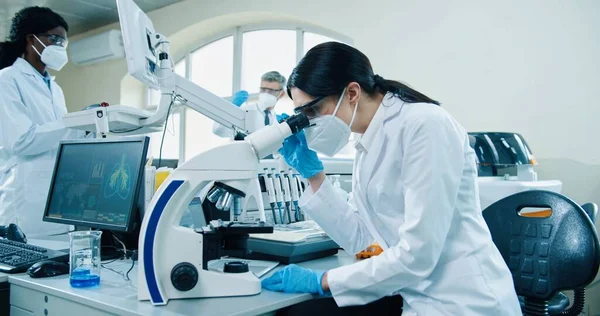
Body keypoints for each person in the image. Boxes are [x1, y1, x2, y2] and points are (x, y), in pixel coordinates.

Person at [262, 42, 521, 315]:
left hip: (465, 302)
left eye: (312, 110)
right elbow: (366, 244)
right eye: (303, 115)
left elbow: (418, 254)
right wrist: (314, 176)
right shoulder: (367, 143)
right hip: (418, 299)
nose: (310, 122)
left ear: (352, 92)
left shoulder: (424, 125)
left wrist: (324, 281)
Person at [0, 7, 80, 238]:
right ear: (30, 39)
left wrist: (88, 126)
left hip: (57, 200)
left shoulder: (55, 88)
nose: (59, 47)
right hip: (24, 204)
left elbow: (61, 137)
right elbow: (22, 141)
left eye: (63, 42)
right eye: (54, 39)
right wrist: (73, 123)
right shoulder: (7, 80)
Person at [213, 71, 287, 138]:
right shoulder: (245, 111)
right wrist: (231, 108)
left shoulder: (277, 119)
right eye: (263, 89)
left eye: (271, 91)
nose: (266, 94)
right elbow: (219, 131)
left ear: (281, 94)